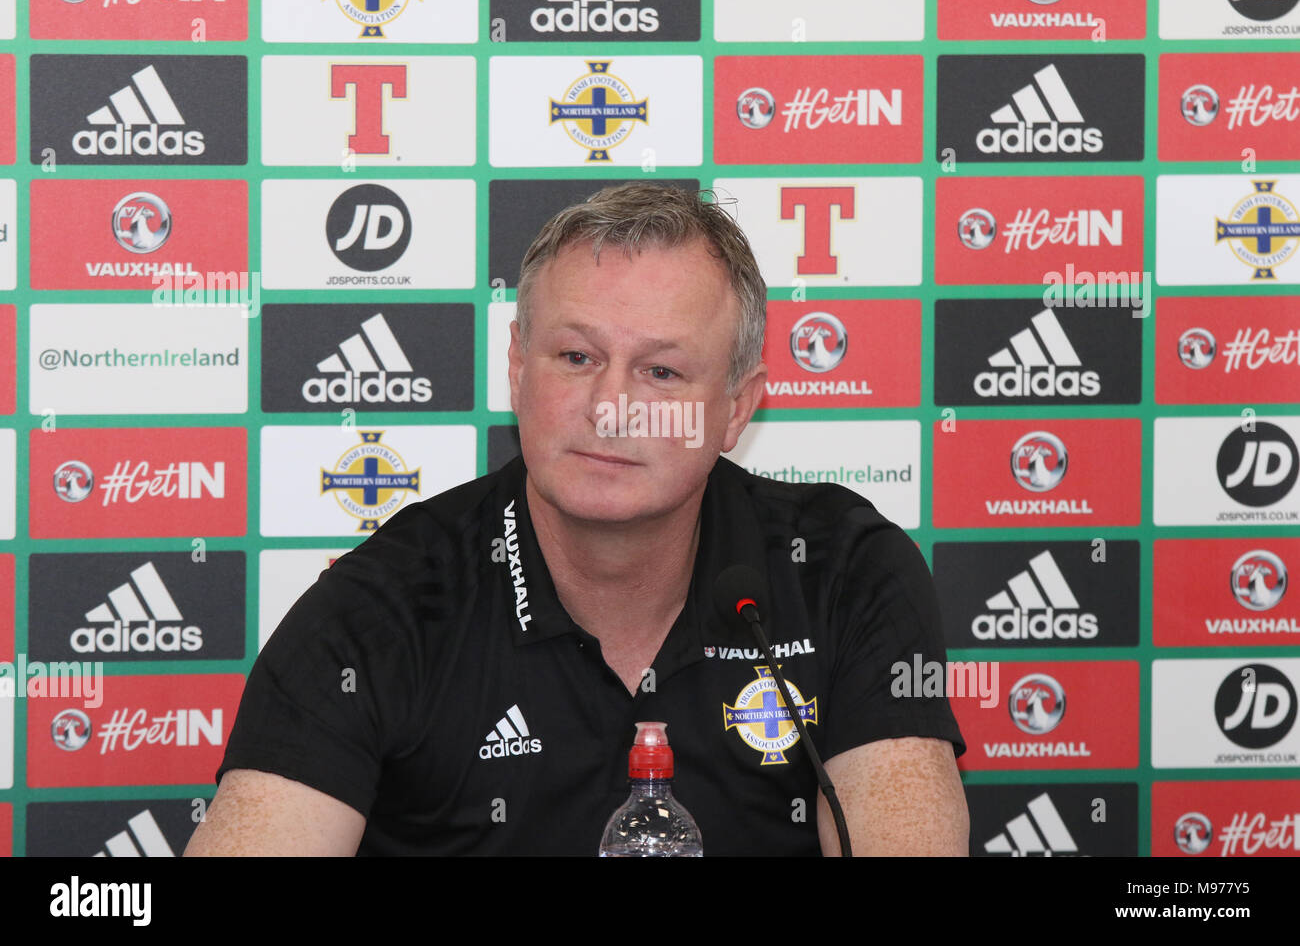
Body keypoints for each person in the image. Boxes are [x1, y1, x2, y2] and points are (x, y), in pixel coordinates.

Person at [186, 182, 968, 856]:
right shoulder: (385, 605)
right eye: (576, 358)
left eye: (660, 371)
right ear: (517, 369)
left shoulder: (842, 571)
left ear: (736, 408)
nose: (610, 409)